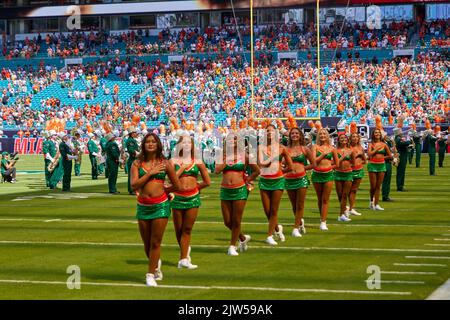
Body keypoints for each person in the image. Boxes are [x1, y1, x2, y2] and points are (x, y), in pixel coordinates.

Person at [130, 133, 181, 287]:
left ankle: (150, 274)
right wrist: (150, 173)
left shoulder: (165, 163)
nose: (150, 144)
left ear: (158, 144)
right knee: (147, 244)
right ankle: (155, 265)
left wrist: (165, 190)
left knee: (155, 242)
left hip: (161, 205)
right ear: (144, 145)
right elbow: (134, 185)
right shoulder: (137, 164)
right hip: (143, 206)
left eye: (153, 141)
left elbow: (177, 185)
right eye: (147, 142)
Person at [216, 133, 260, 255]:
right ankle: (243, 238)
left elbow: (257, 170)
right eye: (229, 139)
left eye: (234, 139)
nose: (232, 141)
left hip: (240, 190)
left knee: (236, 220)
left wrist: (248, 180)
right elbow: (217, 170)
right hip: (225, 190)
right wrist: (226, 160)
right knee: (227, 222)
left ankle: (232, 246)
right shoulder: (222, 155)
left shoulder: (244, 156)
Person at [171, 135, 211, 267]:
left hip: (193, 198)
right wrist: (182, 168)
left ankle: (183, 259)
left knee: (187, 229)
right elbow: (171, 180)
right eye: (184, 142)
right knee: (178, 230)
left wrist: (196, 187)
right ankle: (185, 250)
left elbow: (207, 181)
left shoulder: (197, 161)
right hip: (177, 197)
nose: (187, 144)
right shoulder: (173, 161)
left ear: (193, 145)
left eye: (189, 142)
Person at [258, 125, 293, 245]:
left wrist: (280, 172)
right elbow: (262, 164)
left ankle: (269, 235)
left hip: (277, 180)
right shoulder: (260, 147)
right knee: (267, 211)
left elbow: (291, 166)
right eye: (267, 131)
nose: (269, 133)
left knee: (273, 210)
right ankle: (277, 228)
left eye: (272, 131)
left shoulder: (282, 148)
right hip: (264, 180)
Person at [284, 128, 314, 237]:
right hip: (289, 179)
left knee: (300, 204)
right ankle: (300, 222)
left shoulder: (305, 149)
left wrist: (302, 168)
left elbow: (313, 164)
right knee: (293, 205)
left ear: (300, 135)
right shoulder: (285, 149)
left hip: (301, 179)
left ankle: (295, 228)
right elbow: (282, 163)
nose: (294, 135)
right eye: (292, 133)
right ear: (289, 136)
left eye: (296, 133)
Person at [311, 128, 339, 231]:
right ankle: (321, 217)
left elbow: (337, 164)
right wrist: (323, 155)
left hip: (328, 175)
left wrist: (329, 168)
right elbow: (313, 161)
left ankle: (323, 221)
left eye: (324, 134)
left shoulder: (332, 148)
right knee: (319, 198)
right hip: (317, 175)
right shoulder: (315, 147)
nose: (322, 135)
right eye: (320, 134)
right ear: (318, 136)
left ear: (327, 136)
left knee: (325, 199)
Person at [367, 128, 391, 210]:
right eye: (375, 133)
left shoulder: (384, 145)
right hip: (372, 165)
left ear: (380, 135)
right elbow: (369, 154)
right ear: (373, 134)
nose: (377, 134)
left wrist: (382, 158)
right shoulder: (371, 144)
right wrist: (377, 149)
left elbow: (390, 155)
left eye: (378, 133)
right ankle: (371, 201)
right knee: (373, 186)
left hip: (381, 165)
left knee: (378, 186)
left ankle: (376, 204)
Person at [334, 134, 355, 222]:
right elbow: (334, 163)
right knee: (340, 195)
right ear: (338, 140)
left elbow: (353, 162)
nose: (343, 139)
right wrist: (342, 158)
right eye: (341, 138)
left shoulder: (351, 150)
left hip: (348, 174)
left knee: (345, 195)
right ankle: (344, 209)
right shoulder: (335, 150)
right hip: (338, 174)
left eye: (345, 138)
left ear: (347, 140)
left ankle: (341, 215)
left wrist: (347, 167)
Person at [348, 132, 365, 216]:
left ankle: (351, 208)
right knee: (346, 191)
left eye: (356, 137)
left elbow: (365, 161)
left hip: (359, 170)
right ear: (350, 138)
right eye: (353, 137)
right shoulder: (347, 148)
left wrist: (360, 160)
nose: (355, 138)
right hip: (349, 171)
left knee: (354, 190)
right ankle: (345, 208)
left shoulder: (360, 148)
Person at [382, 132, 396, 202]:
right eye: (385, 135)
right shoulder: (382, 144)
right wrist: (391, 157)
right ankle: (385, 196)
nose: (387, 136)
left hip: (388, 162)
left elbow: (391, 150)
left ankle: (386, 195)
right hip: (385, 163)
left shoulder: (387, 142)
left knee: (387, 181)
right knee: (385, 181)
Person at [126, 127, 140, 194]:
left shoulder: (132, 140)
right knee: (132, 176)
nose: (135, 134)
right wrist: (138, 154)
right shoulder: (130, 141)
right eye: (134, 132)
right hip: (133, 159)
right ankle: (131, 190)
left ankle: (133, 189)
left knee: (134, 176)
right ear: (131, 134)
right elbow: (131, 150)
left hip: (134, 159)